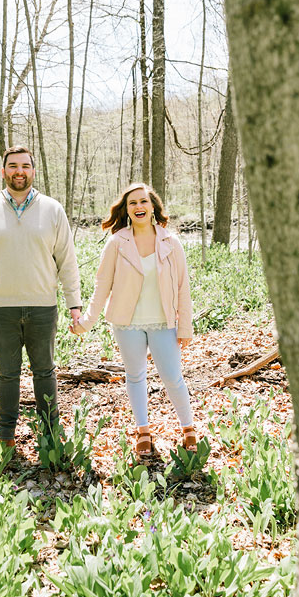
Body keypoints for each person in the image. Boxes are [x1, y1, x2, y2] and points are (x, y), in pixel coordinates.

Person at [0, 146, 82, 448]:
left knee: (45, 371)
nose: (20, 171)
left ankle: (49, 434)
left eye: (25, 166)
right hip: (0, 309)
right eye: (13, 166)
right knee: (7, 375)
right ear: (3, 171)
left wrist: (75, 306)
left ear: (33, 170)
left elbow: (66, 262)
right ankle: (6, 437)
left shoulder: (53, 210)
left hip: (43, 307)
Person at [71, 183, 197, 456]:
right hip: (126, 324)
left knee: (173, 378)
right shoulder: (117, 243)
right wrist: (86, 322)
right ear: (126, 210)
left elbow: (183, 288)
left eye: (143, 202)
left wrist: (185, 326)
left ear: (153, 207)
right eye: (132, 203)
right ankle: (143, 431)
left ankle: (188, 428)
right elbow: (102, 286)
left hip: (164, 323)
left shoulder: (171, 242)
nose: (138, 207)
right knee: (135, 376)